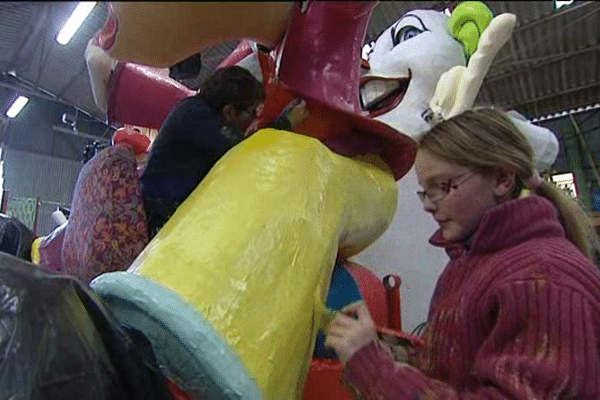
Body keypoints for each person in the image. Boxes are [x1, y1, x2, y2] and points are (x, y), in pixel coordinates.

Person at [325, 107, 600, 399]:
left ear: (502, 179)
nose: (429, 205)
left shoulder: (543, 281)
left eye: (441, 187)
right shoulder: (470, 262)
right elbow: (466, 367)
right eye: (425, 191)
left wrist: (375, 370)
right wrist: (396, 353)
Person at [141, 65, 307, 238]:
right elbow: (244, 152)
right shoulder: (198, 118)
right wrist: (286, 123)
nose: (254, 119)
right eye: (252, 112)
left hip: (165, 207)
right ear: (229, 111)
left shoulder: (195, 110)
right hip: (160, 215)